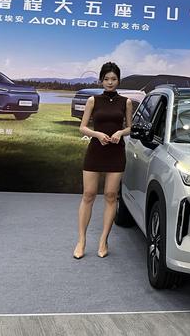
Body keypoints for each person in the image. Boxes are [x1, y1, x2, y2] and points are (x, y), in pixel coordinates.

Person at [73, 62, 133, 259]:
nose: (110, 82)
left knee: (110, 195)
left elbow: (130, 127)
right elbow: (82, 127)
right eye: (106, 79)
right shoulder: (93, 100)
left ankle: (103, 240)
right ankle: (81, 241)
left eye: (113, 79)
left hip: (116, 152)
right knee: (88, 194)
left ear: (119, 80)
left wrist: (120, 132)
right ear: (101, 80)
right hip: (96, 150)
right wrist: (97, 134)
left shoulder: (126, 102)